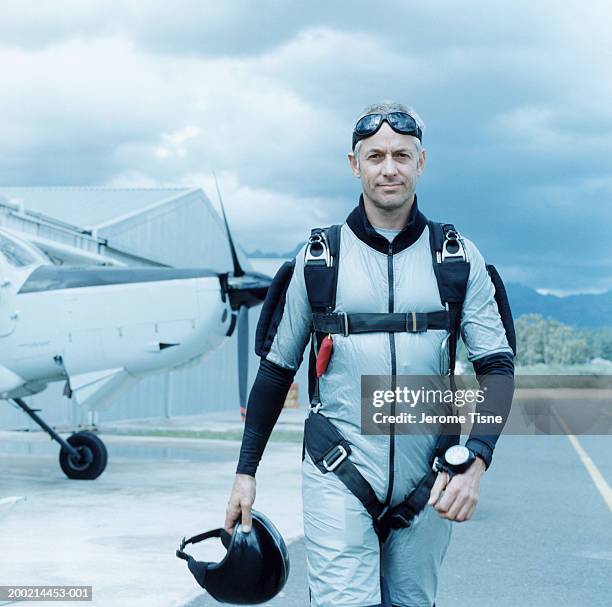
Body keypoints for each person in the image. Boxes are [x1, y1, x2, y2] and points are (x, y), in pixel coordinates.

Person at [225, 101, 514, 607]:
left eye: (402, 155)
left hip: (431, 481)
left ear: (421, 163)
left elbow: (497, 367)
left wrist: (477, 462)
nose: (389, 168)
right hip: (338, 470)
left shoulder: (458, 258)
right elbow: (274, 372)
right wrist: (245, 473)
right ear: (354, 163)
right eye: (375, 155)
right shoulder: (318, 260)